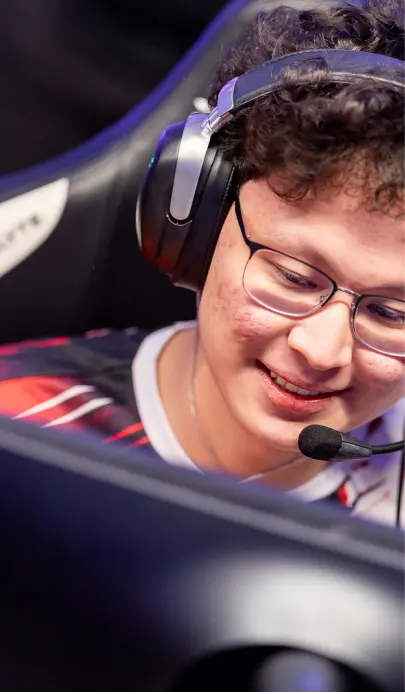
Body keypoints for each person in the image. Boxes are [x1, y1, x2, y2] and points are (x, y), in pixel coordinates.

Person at [1, 0, 405, 527]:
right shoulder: (22, 432)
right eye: (293, 277)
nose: (322, 350)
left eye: (391, 313)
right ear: (197, 229)